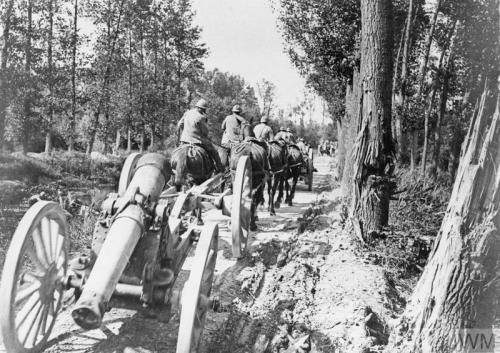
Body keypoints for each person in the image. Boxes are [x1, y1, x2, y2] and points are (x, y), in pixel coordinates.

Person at [177, 98, 224, 172]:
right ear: (202, 109)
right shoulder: (201, 117)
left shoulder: (187, 113)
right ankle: (219, 168)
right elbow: (205, 132)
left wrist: (186, 131)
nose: (204, 111)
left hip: (184, 139)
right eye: (204, 110)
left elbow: (180, 124)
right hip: (197, 140)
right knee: (214, 151)